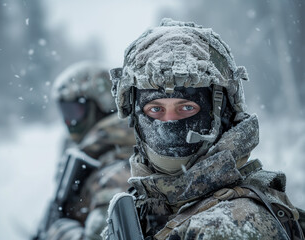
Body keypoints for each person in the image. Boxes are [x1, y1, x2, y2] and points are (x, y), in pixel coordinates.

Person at [104, 19, 304, 240]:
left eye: (187, 108)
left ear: (221, 113)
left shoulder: (229, 225)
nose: (169, 125)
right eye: (155, 109)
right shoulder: (148, 203)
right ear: (136, 116)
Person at [33, 61, 136, 240]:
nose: (68, 123)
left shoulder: (117, 172)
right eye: (66, 113)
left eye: (74, 112)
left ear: (101, 105)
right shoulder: (92, 154)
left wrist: (62, 235)